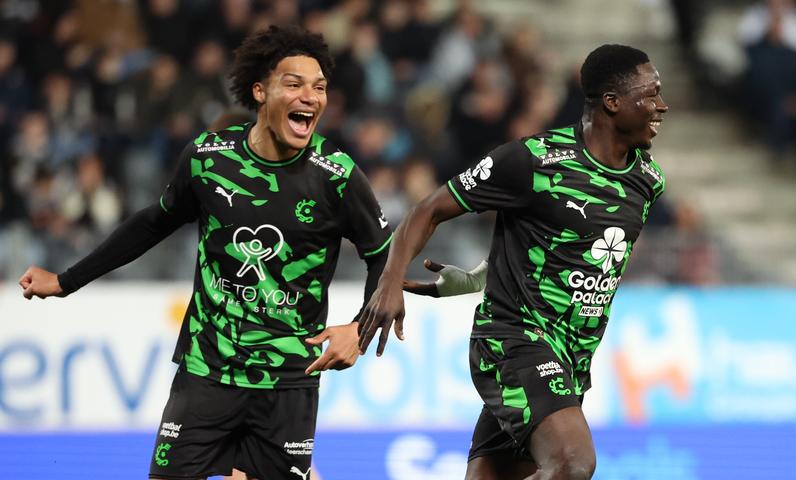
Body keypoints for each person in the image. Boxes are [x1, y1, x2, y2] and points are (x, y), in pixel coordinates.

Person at [18, 25, 391, 480]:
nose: (310, 96)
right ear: (260, 91)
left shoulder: (337, 176)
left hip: (288, 379)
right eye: (293, 84)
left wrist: (360, 328)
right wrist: (65, 280)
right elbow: (153, 223)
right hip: (206, 369)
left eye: (320, 87)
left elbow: (383, 258)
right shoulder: (208, 159)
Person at [358, 44, 668, 479]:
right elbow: (428, 209)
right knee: (572, 464)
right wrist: (389, 282)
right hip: (513, 341)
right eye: (650, 95)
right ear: (613, 103)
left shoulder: (647, 181)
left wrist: (482, 276)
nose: (662, 105)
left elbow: (571, 251)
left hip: (573, 360)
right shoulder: (532, 160)